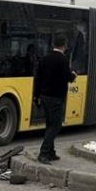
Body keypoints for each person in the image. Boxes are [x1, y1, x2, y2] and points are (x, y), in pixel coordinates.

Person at [33, 34, 76, 164]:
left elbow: (38, 78)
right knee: (56, 125)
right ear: (64, 46)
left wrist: (36, 96)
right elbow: (67, 77)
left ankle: (51, 152)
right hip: (56, 97)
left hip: (44, 96)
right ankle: (44, 153)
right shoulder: (62, 60)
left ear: (53, 45)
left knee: (49, 124)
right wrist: (73, 76)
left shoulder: (44, 59)